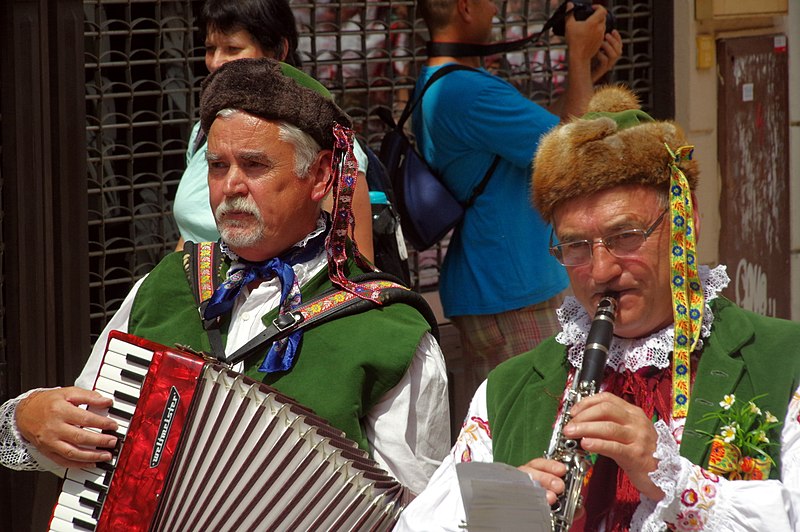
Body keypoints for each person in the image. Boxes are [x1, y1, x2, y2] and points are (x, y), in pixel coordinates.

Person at [0, 58, 450, 497]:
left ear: (319, 177)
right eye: (218, 166)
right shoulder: (165, 286)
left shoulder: (387, 330)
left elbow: (417, 511)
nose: (231, 185)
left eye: (254, 165)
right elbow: (83, 436)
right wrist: (27, 419)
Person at [396, 85, 800, 531]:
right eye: (576, 246)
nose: (602, 269)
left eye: (626, 236)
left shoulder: (784, 361)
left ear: (688, 223)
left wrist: (672, 480)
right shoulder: (505, 391)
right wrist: (498, 515)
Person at [413, 0, 623, 393]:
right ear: (465, 7)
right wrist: (576, 57)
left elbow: (545, 140)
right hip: (510, 292)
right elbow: (571, 148)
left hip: (498, 282)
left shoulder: (443, 82)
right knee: (536, 419)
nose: (494, 8)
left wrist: (590, 72)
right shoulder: (468, 91)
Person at [173, 0, 375, 261]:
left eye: (232, 49)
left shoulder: (325, 143)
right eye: (210, 49)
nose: (216, 62)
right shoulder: (205, 132)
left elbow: (354, 264)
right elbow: (189, 236)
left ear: (278, 50)